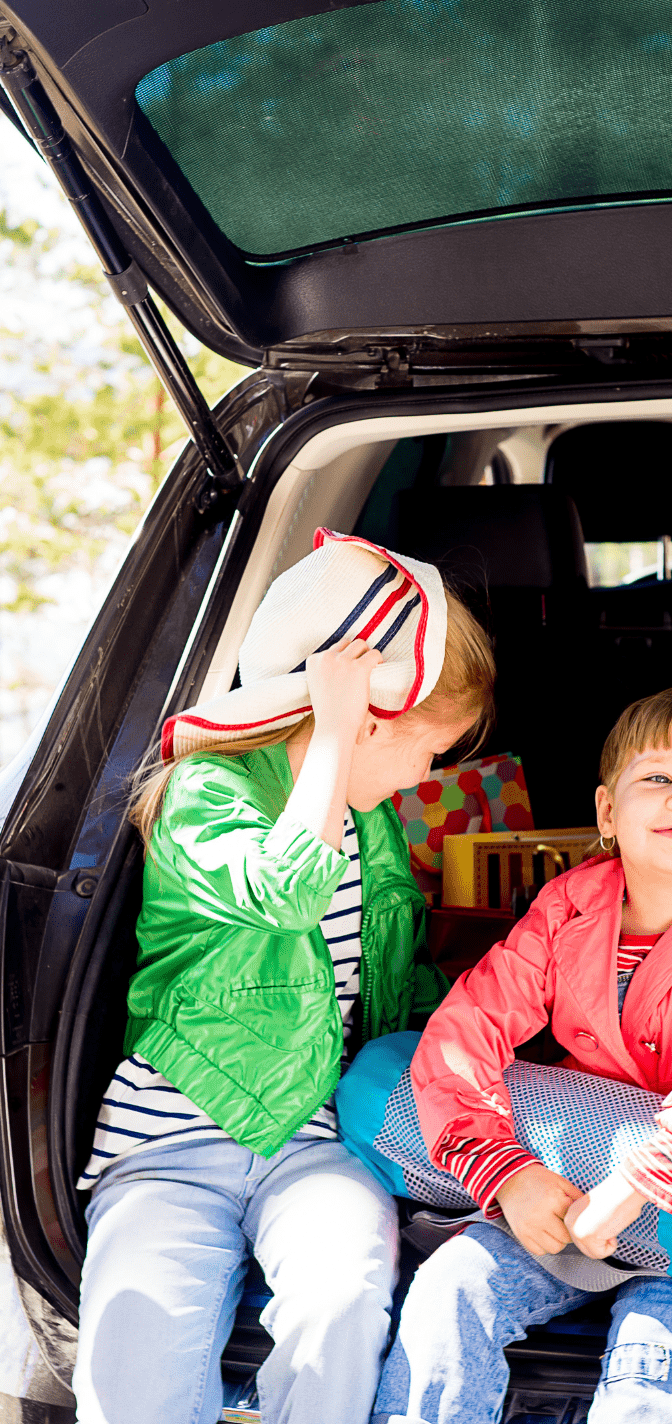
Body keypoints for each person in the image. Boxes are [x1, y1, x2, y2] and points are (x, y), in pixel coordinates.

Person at [72, 532, 495, 1424]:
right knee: (134, 1369)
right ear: (368, 720)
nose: (429, 775)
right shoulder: (204, 794)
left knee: (343, 1303)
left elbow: (392, 981)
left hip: (314, 1141)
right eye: (431, 750)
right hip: (168, 1149)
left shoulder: (372, 824)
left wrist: (501, 1017)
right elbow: (285, 893)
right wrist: (332, 733)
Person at [372, 686, 672, 1424]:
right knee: (449, 1289)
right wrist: (505, 1172)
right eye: (658, 778)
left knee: (654, 1361)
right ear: (608, 812)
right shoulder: (567, 907)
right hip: (568, 1189)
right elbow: (466, 1030)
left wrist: (648, 1177)